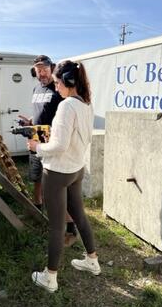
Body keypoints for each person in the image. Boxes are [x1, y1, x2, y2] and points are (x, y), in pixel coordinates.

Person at [28, 60, 101, 293]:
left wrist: (36, 147)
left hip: (58, 172)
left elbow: (58, 145)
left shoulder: (67, 105)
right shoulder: (86, 103)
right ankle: (92, 261)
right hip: (76, 169)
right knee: (79, 216)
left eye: (58, 82)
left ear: (68, 81)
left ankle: (50, 278)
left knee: (56, 227)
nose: (56, 87)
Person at [19, 55, 78, 246]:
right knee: (36, 179)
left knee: (59, 188)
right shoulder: (36, 88)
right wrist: (30, 122)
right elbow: (41, 112)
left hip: (53, 143)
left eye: (44, 68)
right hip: (36, 139)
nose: (41, 72)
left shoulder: (59, 87)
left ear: (51, 68)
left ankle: (70, 229)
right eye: (37, 69)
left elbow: (65, 116)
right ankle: (36, 212)